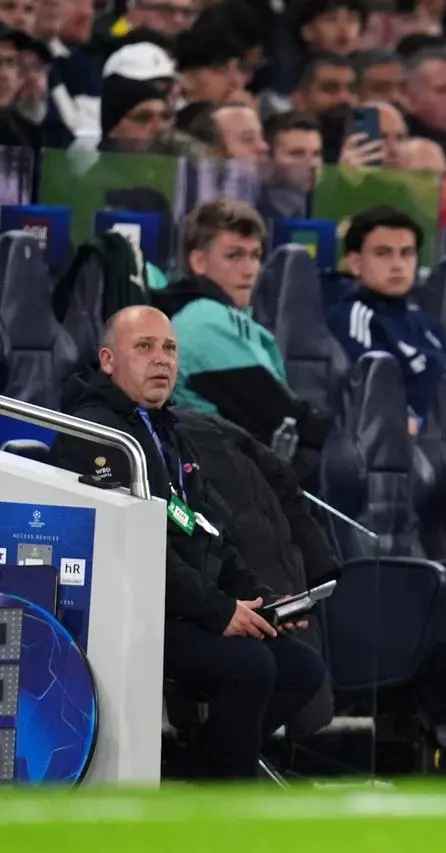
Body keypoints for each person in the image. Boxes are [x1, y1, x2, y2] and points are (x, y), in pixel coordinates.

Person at [51, 306, 326, 778]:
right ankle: (224, 786)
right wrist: (219, 611)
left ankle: (197, 775)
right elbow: (131, 554)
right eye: (144, 347)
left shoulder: (169, 428)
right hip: (129, 611)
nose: (161, 359)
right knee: (250, 667)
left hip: (184, 606)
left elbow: (209, 527)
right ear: (108, 360)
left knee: (301, 667)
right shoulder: (96, 436)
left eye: (170, 348)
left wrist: (262, 600)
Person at [150, 199, 331, 481]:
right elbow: (282, 419)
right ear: (198, 261)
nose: (249, 270)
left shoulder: (218, 314)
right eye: (234, 256)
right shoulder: (204, 320)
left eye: (255, 256)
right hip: (221, 485)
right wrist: (341, 431)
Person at [326, 205, 446, 426]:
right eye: (382, 254)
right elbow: (375, 399)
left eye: (407, 253)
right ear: (355, 263)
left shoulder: (428, 323)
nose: (398, 265)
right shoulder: (351, 317)